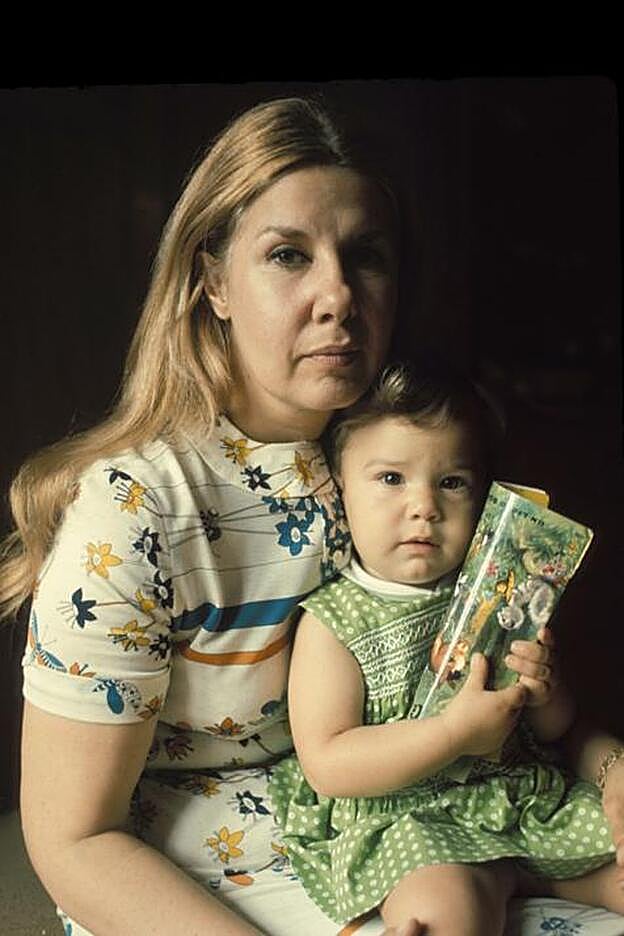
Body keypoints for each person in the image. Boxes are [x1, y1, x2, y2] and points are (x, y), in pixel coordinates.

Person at [0, 96, 402, 936]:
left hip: (387, 827)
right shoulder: (138, 508)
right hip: (184, 877)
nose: (338, 294)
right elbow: (73, 838)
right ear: (212, 282)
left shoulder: (412, 466)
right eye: (288, 254)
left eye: (364, 256)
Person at [269, 361, 624, 935]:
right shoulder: (336, 620)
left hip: (521, 803)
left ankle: (545, 877)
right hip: (413, 816)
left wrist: (541, 690)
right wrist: (454, 734)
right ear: (338, 485)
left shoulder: (499, 591)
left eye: (451, 482)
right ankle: (488, 887)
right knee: (447, 908)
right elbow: (330, 763)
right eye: (390, 479)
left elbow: (558, 729)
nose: (424, 507)